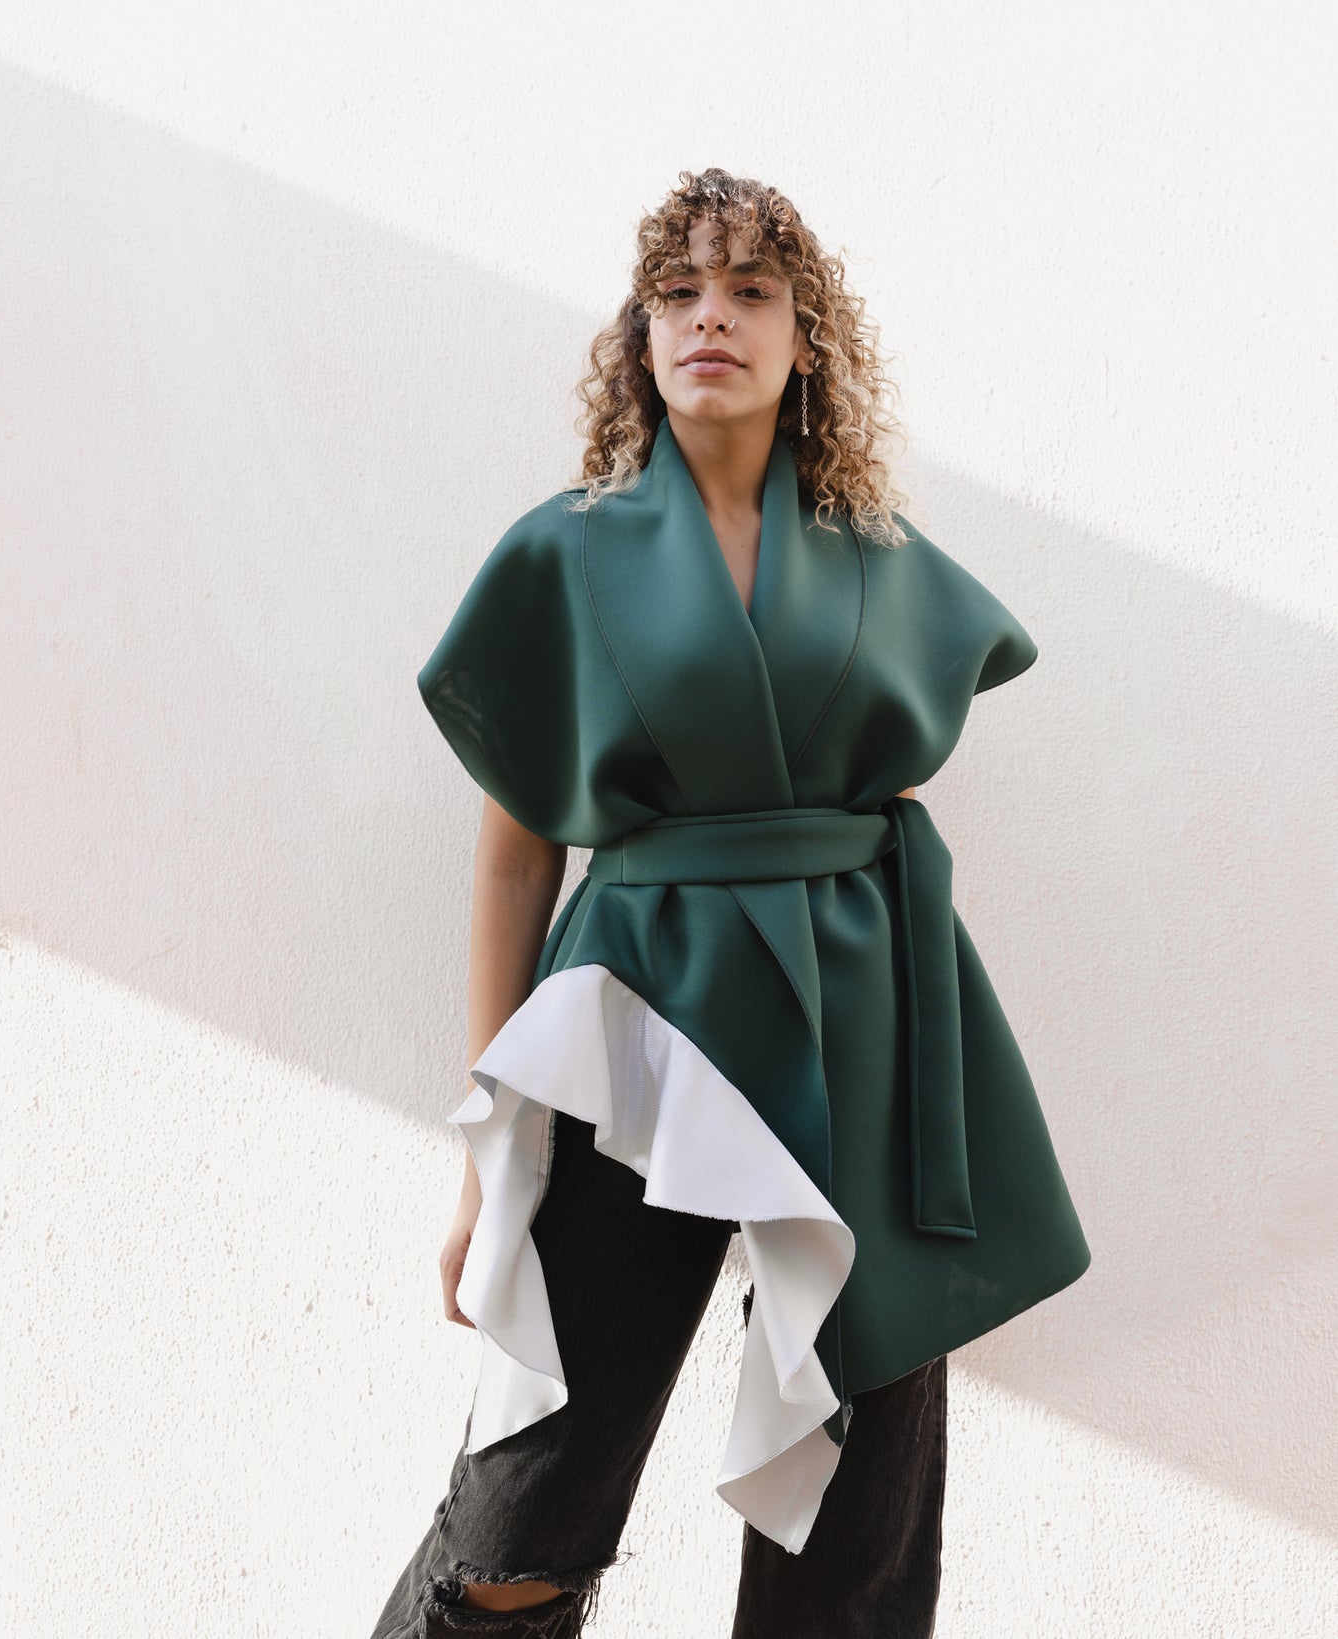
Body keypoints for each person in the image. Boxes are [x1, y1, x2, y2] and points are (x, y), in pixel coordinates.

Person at [370, 167, 1090, 1638]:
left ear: (803, 339)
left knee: (855, 1514)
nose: (712, 316)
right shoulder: (562, 552)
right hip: (634, 1020)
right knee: (525, 1501)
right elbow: (518, 854)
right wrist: (485, 1155)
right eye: (679, 292)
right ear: (639, 336)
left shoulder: (881, 562)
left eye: (750, 291)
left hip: (860, 1021)